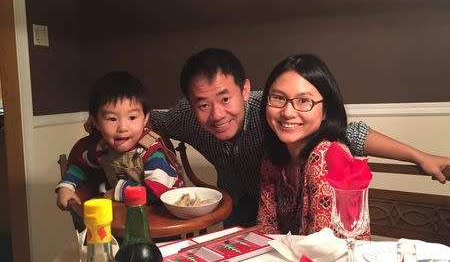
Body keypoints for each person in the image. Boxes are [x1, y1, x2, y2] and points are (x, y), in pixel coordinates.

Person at [86, 48, 450, 226]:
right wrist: (101, 129)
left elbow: (349, 133)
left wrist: (420, 156)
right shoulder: (186, 117)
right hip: (238, 205)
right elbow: (147, 122)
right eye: (202, 104)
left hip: (295, 203)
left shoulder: (274, 108)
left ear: (245, 89)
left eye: (225, 98)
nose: (216, 114)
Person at [256, 53, 370, 238]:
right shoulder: (273, 155)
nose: (287, 112)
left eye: (303, 101)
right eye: (278, 97)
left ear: (326, 111)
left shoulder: (326, 155)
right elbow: (266, 230)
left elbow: (321, 246)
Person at [56, 71, 184, 210]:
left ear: (145, 118)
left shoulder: (151, 151)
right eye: (112, 119)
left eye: (132, 118)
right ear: (96, 122)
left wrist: (116, 193)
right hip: (127, 214)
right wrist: (66, 186)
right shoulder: (102, 149)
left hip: (164, 215)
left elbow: (157, 191)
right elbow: (80, 166)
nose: (122, 128)